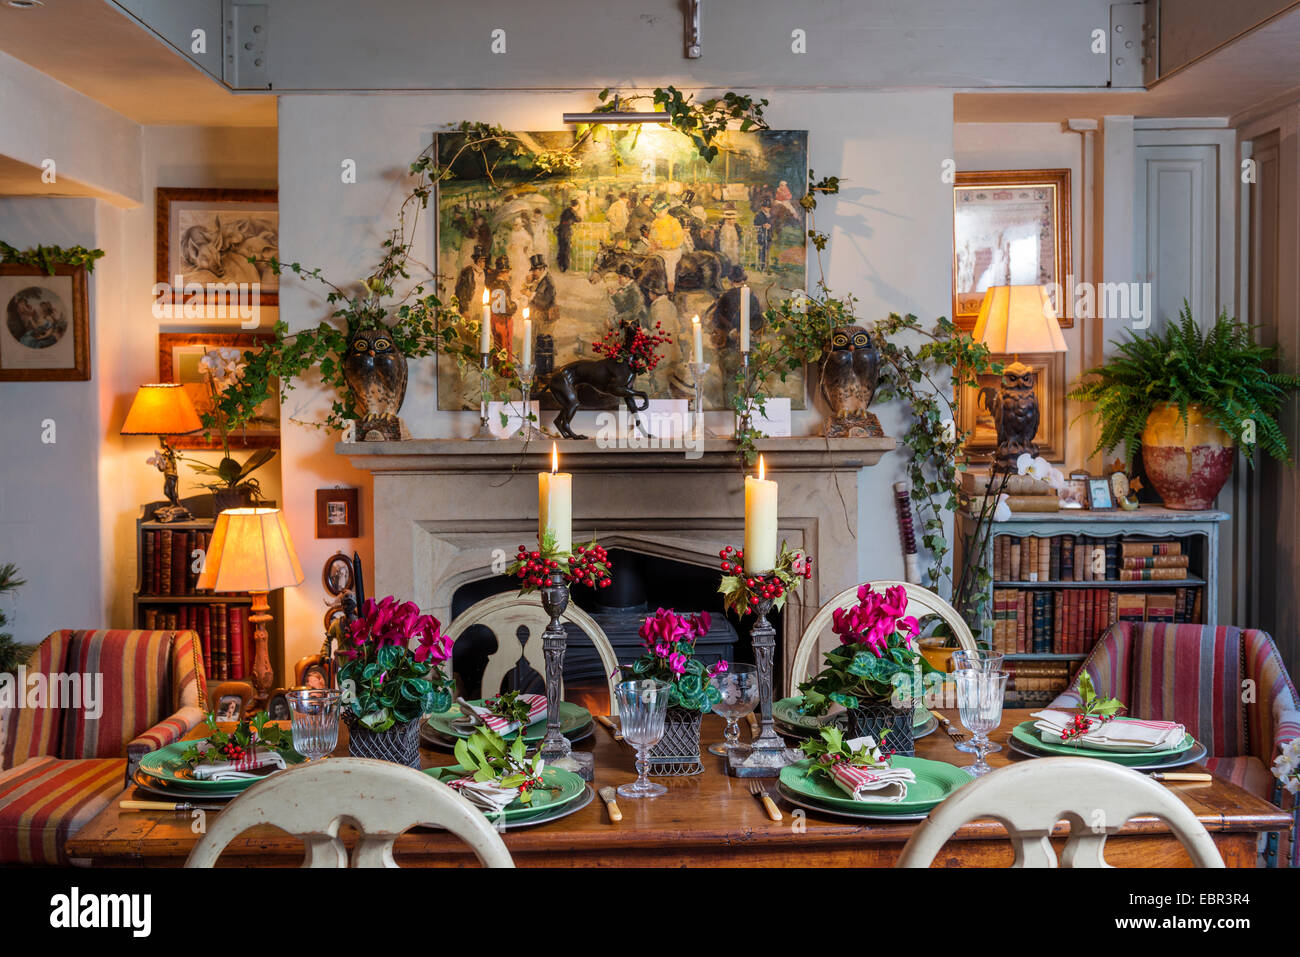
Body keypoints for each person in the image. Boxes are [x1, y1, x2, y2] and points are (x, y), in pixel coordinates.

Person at [648, 200, 686, 293]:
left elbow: (678, 241)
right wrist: (653, 245)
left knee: (669, 266)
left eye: (660, 211)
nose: (657, 214)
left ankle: (670, 290)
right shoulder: (654, 222)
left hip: (672, 251)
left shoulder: (673, 221)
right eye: (656, 212)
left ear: (666, 210)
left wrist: (664, 245)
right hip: (658, 250)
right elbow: (651, 237)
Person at [521, 253, 558, 336]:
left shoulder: (548, 282)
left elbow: (544, 302)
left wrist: (530, 294)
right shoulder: (538, 279)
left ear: (542, 269)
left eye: (535, 270)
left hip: (546, 320)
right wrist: (528, 283)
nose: (533, 273)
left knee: (543, 342)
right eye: (532, 270)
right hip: (538, 319)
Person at [488, 256, 516, 360]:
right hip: (504, 320)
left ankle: (497, 367)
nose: (509, 274)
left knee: (497, 345)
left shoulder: (493, 284)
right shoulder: (504, 285)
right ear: (503, 272)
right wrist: (516, 304)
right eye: (508, 272)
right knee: (506, 345)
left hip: (494, 318)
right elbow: (508, 308)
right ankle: (505, 370)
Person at [454, 246, 488, 319]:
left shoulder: (484, 272)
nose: (483, 263)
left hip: (481, 304)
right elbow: (461, 292)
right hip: (470, 305)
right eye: (481, 261)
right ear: (477, 261)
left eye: (484, 261)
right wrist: (464, 310)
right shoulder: (468, 272)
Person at [610, 263, 645, 327]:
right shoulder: (624, 288)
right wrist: (615, 295)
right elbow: (621, 307)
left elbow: (633, 312)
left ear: (627, 277)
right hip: (624, 324)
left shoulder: (634, 291)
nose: (618, 280)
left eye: (620, 277)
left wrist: (614, 320)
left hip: (633, 326)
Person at [506, 213, 533, 297]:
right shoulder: (512, 233)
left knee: (520, 274)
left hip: (520, 256)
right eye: (514, 225)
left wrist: (526, 249)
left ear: (520, 225)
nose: (515, 227)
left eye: (516, 225)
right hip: (513, 256)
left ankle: (520, 292)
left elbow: (529, 244)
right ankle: (514, 292)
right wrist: (510, 247)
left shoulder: (524, 233)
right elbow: (508, 244)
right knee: (513, 275)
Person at [556, 200, 580, 272]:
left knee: (561, 249)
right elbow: (578, 219)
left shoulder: (566, 211)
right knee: (566, 249)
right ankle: (565, 266)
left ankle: (560, 265)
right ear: (576, 206)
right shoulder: (572, 212)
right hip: (566, 232)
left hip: (560, 231)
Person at [754, 200, 774, 272]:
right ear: (762, 207)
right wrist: (763, 226)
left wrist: (770, 226)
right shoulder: (759, 215)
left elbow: (772, 224)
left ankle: (766, 264)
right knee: (762, 250)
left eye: (769, 207)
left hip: (768, 235)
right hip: (762, 235)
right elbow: (756, 225)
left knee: (767, 250)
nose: (768, 209)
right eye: (766, 207)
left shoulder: (770, 215)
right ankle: (762, 265)